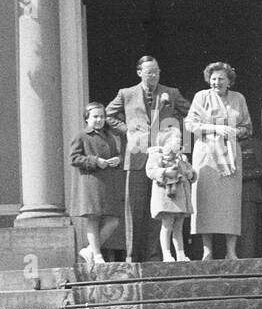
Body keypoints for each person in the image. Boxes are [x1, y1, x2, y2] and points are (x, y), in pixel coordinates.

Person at [105, 56, 190, 263]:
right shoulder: (126, 94)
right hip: (137, 157)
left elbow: (190, 114)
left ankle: (157, 255)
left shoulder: (171, 93)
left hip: (165, 160)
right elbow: (109, 115)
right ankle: (133, 255)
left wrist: (177, 139)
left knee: (161, 209)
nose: (153, 75)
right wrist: (127, 131)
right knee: (135, 207)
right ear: (139, 72)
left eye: (156, 71)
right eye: (149, 71)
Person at [186, 61, 252, 260]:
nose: (216, 82)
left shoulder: (238, 98)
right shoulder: (201, 97)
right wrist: (215, 129)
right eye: (213, 79)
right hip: (207, 156)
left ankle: (231, 251)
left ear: (229, 81)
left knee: (230, 204)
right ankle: (208, 251)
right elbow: (189, 124)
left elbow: (248, 127)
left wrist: (236, 131)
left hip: (230, 158)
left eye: (221, 79)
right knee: (206, 202)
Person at [69, 101, 125, 266]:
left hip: (108, 184)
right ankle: (98, 255)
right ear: (87, 118)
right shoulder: (81, 136)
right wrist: (94, 161)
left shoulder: (110, 136)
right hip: (91, 183)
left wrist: (118, 160)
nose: (99, 120)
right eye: (95, 116)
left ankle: (89, 250)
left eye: (102, 116)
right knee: (93, 218)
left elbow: (117, 154)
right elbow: (73, 158)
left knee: (113, 220)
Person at [145, 122, 195, 263]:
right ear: (166, 142)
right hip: (166, 197)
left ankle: (180, 254)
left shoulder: (182, 158)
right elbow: (151, 171)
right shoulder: (157, 157)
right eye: (176, 139)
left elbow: (189, 171)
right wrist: (164, 171)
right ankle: (166, 253)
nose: (179, 141)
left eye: (180, 139)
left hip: (180, 197)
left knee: (178, 226)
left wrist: (190, 174)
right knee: (167, 225)